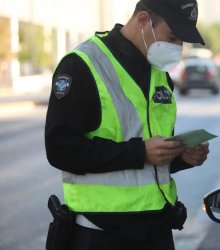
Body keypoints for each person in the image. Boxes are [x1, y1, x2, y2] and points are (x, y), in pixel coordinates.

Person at [44, 0, 209, 249]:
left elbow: (152, 158)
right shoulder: (83, 65)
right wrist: (140, 152)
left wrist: (181, 156)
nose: (178, 47)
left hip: (156, 227)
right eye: (173, 37)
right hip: (101, 232)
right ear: (143, 20)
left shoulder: (159, 74)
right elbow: (60, 149)